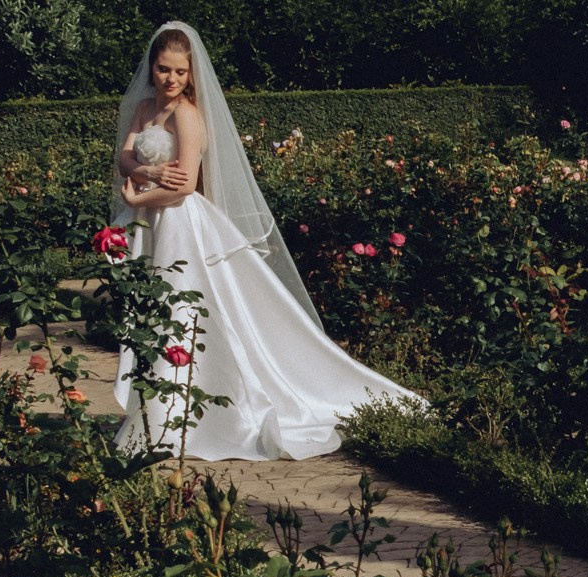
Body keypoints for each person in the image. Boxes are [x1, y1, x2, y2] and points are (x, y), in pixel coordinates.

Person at [110, 22, 417, 461]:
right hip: (150, 220)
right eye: (163, 69)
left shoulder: (186, 114)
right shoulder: (144, 108)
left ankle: (182, 414)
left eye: (180, 71)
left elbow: (185, 187)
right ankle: (156, 409)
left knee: (180, 308)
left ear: (191, 73)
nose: (171, 79)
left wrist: (138, 191)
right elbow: (125, 156)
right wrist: (146, 175)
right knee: (153, 312)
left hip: (178, 222)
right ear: (152, 68)